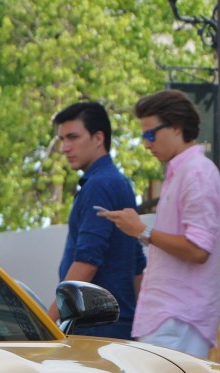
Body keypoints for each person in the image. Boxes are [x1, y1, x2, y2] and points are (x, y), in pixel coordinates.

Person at [97, 89, 220, 359]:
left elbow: (198, 250)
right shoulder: (182, 172)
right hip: (169, 318)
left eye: (150, 134)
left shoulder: (197, 173)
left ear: (176, 128)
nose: (146, 144)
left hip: (179, 318)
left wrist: (142, 230)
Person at [50, 101, 146, 339]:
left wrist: (46, 324)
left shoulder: (99, 185)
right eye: (62, 139)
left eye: (72, 137)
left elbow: (87, 262)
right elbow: (137, 264)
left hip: (95, 330)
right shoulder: (119, 182)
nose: (65, 147)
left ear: (98, 138)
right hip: (120, 327)